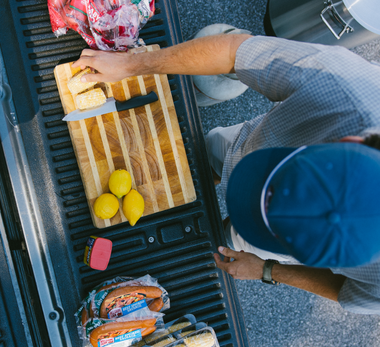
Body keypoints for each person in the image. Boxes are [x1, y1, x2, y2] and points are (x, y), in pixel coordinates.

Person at [72, 34, 380, 314]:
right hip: (246, 148)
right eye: (284, 177)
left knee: (227, 239)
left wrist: (267, 270)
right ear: (350, 140)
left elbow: (347, 292)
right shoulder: (345, 86)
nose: (248, 201)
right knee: (200, 157)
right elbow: (235, 52)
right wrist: (131, 64)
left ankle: (248, 227)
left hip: (271, 234)